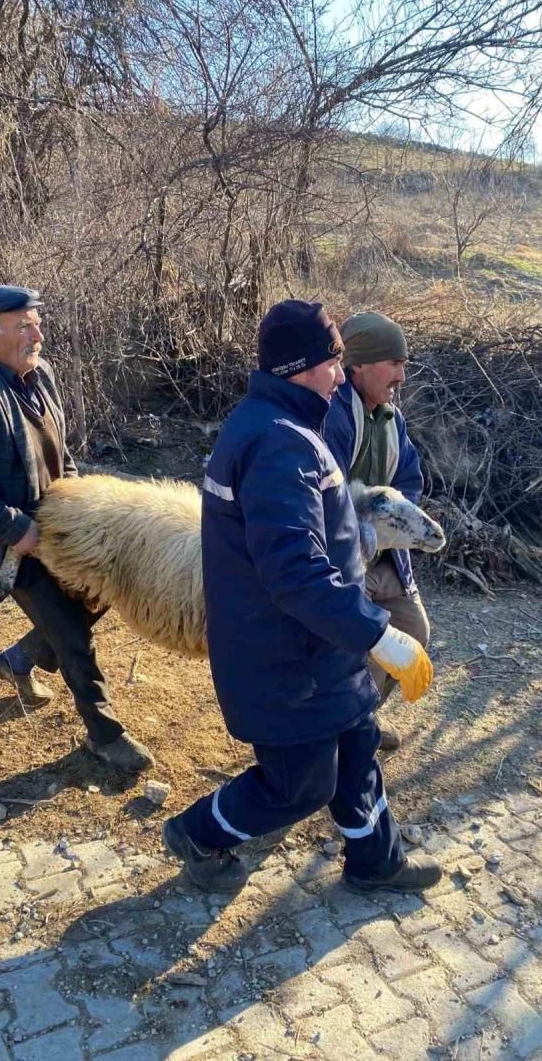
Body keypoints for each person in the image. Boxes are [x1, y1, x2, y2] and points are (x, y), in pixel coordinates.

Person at [162, 299, 441, 895]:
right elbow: (294, 571)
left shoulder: (284, 424)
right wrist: (379, 634)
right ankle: (198, 834)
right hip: (284, 658)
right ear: (297, 367)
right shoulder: (279, 443)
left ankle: (375, 861)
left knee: (359, 743)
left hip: (321, 647)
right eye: (332, 363)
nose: (341, 376)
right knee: (300, 786)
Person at [0, 284, 153, 774]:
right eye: (24, 324)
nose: (38, 333)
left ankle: (16, 660)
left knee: (101, 594)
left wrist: (81, 506)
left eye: (37, 321)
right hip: (10, 543)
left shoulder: (40, 374)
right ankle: (105, 735)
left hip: (60, 527)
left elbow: (61, 451)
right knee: (72, 634)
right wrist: (15, 529)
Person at [324, 311, 429, 753]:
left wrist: (383, 524)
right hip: (339, 562)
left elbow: (410, 483)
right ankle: (331, 734)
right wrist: (359, 525)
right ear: (359, 366)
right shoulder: (331, 415)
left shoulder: (392, 420)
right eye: (394, 364)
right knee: (347, 647)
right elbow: (323, 495)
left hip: (386, 560)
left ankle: (357, 720)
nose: (401, 376)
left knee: (413, 631)